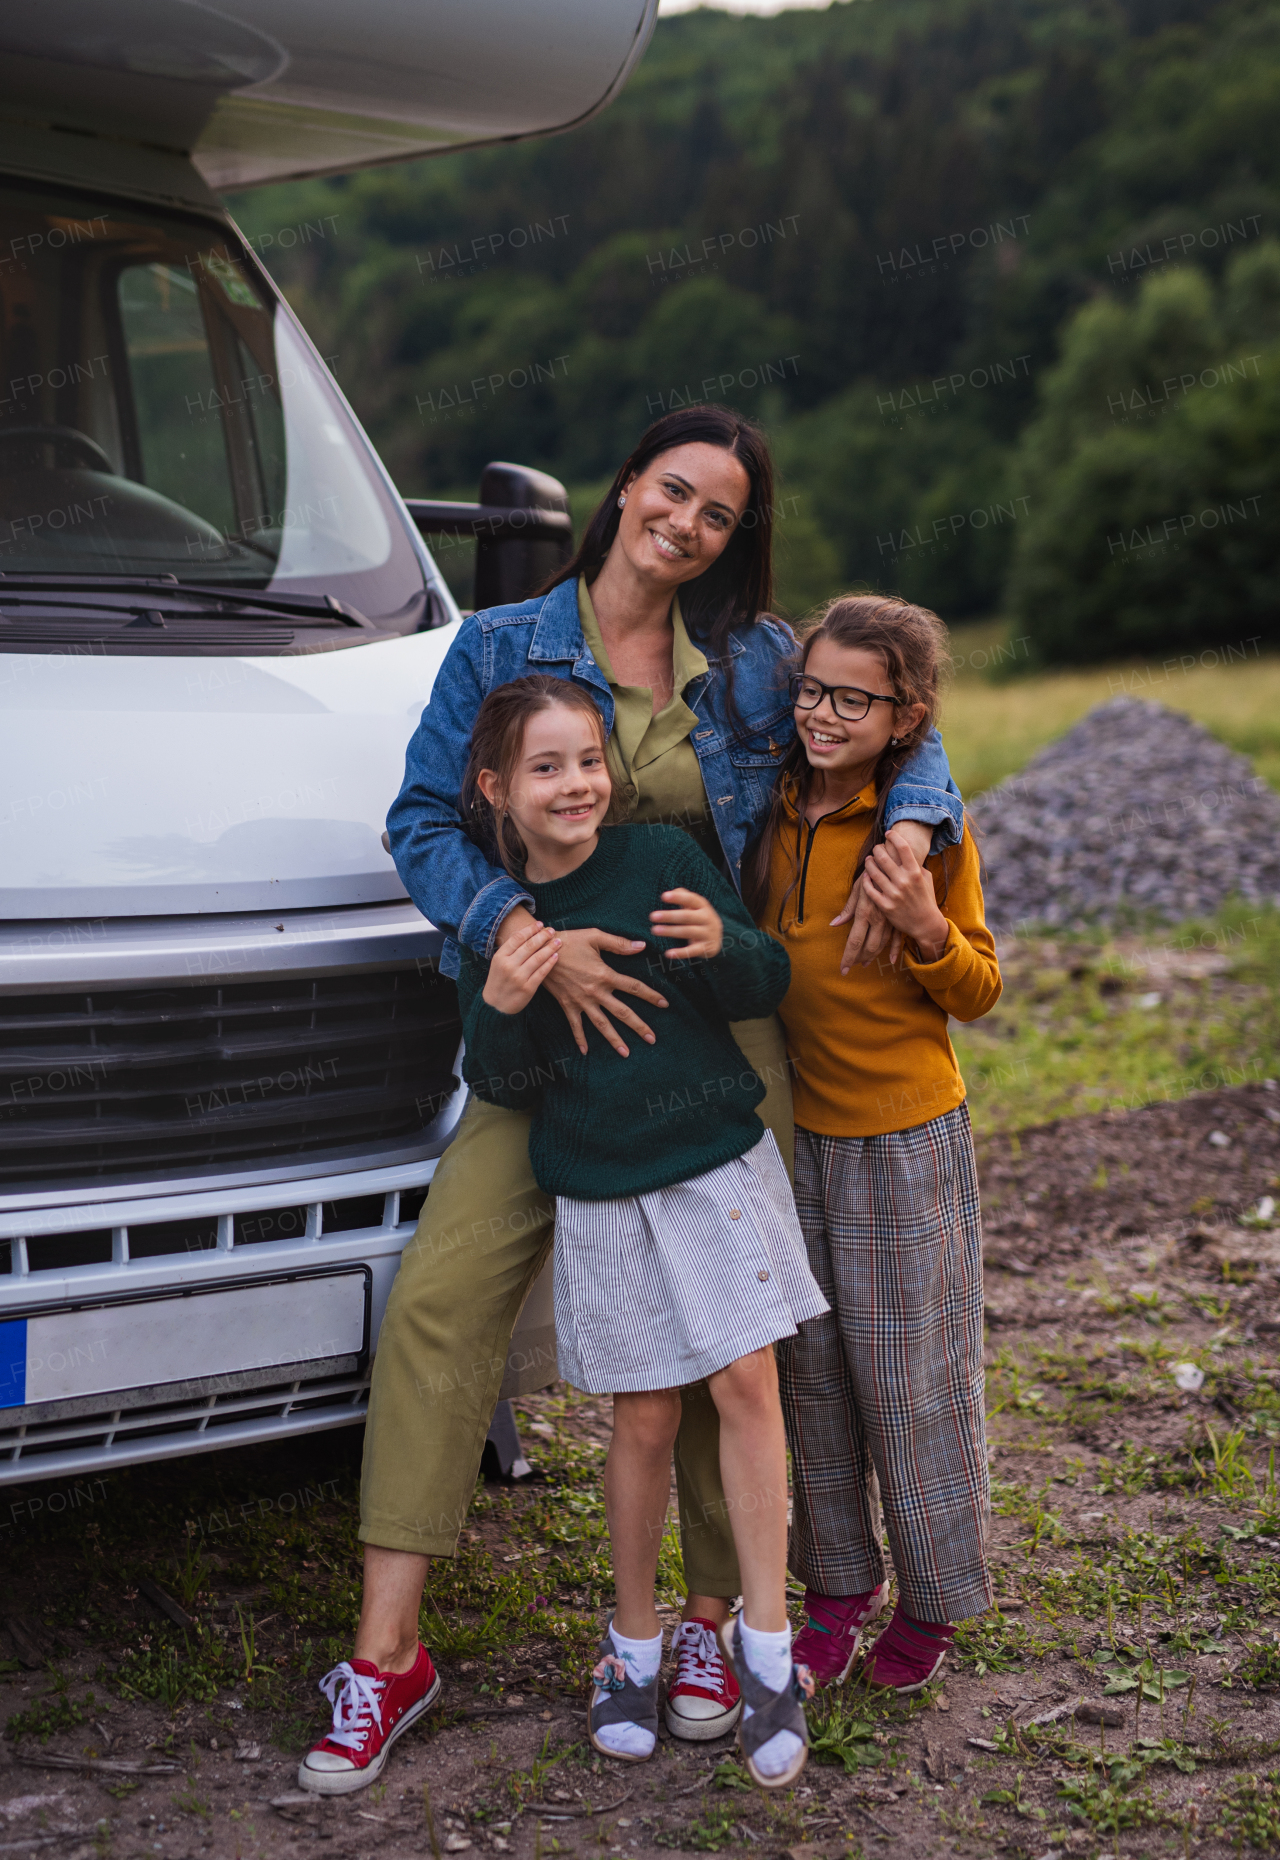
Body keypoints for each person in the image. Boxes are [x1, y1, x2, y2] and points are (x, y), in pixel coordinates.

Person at [298, 407, 963, 1795]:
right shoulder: (500, 649)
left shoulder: (759, 662)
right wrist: (508, 930)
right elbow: (421, 820)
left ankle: (714, 1625)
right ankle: (385, 1655)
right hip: (544, 1045)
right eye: (675, 491)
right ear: (623, 491)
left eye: (721, 513)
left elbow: (903, 726)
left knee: (731, 1339)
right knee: (439, 1301)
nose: (690, 526)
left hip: (709, 1048)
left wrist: (910, 822)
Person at [456, 672, 827, 1785]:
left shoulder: (661, 864)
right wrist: (505, 1002)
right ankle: (632, 1645)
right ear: (494, 790)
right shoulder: (509, 929)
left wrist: (724, 942)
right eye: (545, 767)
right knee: (645, 1418)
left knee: (747, 1386)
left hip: (711, 1165)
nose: (575, 784)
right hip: (601, 1188)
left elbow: (762, 982)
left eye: (586, 761)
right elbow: (505, 1079)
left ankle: (762, 1648)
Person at [742, 594, 1000, 1697]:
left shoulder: (926, 829)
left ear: (905, 715)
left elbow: (979, 989)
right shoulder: (772, 800)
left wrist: (926, 932)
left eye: (852, 698)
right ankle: (834, 1590)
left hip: (903, 1140)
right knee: (813, 1376)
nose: (822, 713)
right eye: (811, 690)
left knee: (909, 1381)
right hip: (795, 1141)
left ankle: (934, 1598)